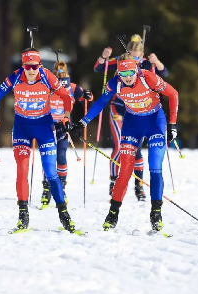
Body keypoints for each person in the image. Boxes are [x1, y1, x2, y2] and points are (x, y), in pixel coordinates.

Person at [70, 52, 179, 232]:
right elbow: (100, 103)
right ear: (118, 74)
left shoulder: (148, 78)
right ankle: (112, 214)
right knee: (125, 170)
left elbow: (173, 94)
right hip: (132, 124)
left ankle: (156, 213)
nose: (127, 78)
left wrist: (173, 124)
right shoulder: (114, 84)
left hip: (155, 123)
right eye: (123, 74)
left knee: (155, 168)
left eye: (130, 74)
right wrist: (82, 123)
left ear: (136, 70)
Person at [0, 48, 79, 233]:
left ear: (39, 65)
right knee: (22, 169)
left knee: (51, 172)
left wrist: (66, 117)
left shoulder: (47, 77)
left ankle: (64, 215)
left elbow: (67, 97)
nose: (31, 70)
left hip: (44, 128)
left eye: (34, 66)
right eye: (27, 66)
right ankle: (23, 216)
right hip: (22, 128)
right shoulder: (14, 77)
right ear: (23, 66)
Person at [94, 34, 169, 200]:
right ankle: (114, 181)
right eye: (131, 54)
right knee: (120, 145)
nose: (134, 59)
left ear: (142, 55)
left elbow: (165, 73)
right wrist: (103, 57)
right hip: (118, 108)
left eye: (137, 56)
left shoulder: (146, 65)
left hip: (138, 111)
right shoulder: (121, 61)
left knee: (137, 151)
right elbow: (99, 68)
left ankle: (138, 184)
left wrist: (156, 62)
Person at [40, 60, 93, 208]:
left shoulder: (74, 87)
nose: (62, 87)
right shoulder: (48, 84)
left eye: (65, 83)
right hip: (48, 125)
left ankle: (61, 187)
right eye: (59, 81)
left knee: (61, 155)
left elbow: (86, 98)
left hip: (64, 126)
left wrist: (88, 95)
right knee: (48, 155)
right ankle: (47, 188)